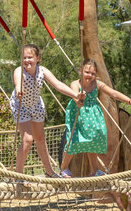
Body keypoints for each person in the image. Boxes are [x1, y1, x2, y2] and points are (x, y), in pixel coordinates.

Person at [10, 44, 80, 177]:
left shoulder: (42, 71)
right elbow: (17, 82)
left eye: (30, 57)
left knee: (40, 138)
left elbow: (58, 85)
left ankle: (49, 171)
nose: (27, 61)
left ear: (38, 58)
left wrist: (75, 95)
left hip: (36, 105)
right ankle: (18, 175)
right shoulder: (19, 71)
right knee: (27, 139)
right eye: (24, 58)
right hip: (21, 105)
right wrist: (19, 90)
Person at [60, 59, 131, 177]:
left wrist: (129, 100)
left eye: (93, 73)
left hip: (92, 116)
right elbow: (75, 95)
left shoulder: (97, 84)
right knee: (73, 141)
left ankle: (94, 170)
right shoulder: (75, 84)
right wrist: (79, 99)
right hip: (78, 114)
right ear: (80, 71)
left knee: (93, 140)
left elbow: (113, 93)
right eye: (87, 72)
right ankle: (64, 167)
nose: (90, 75)